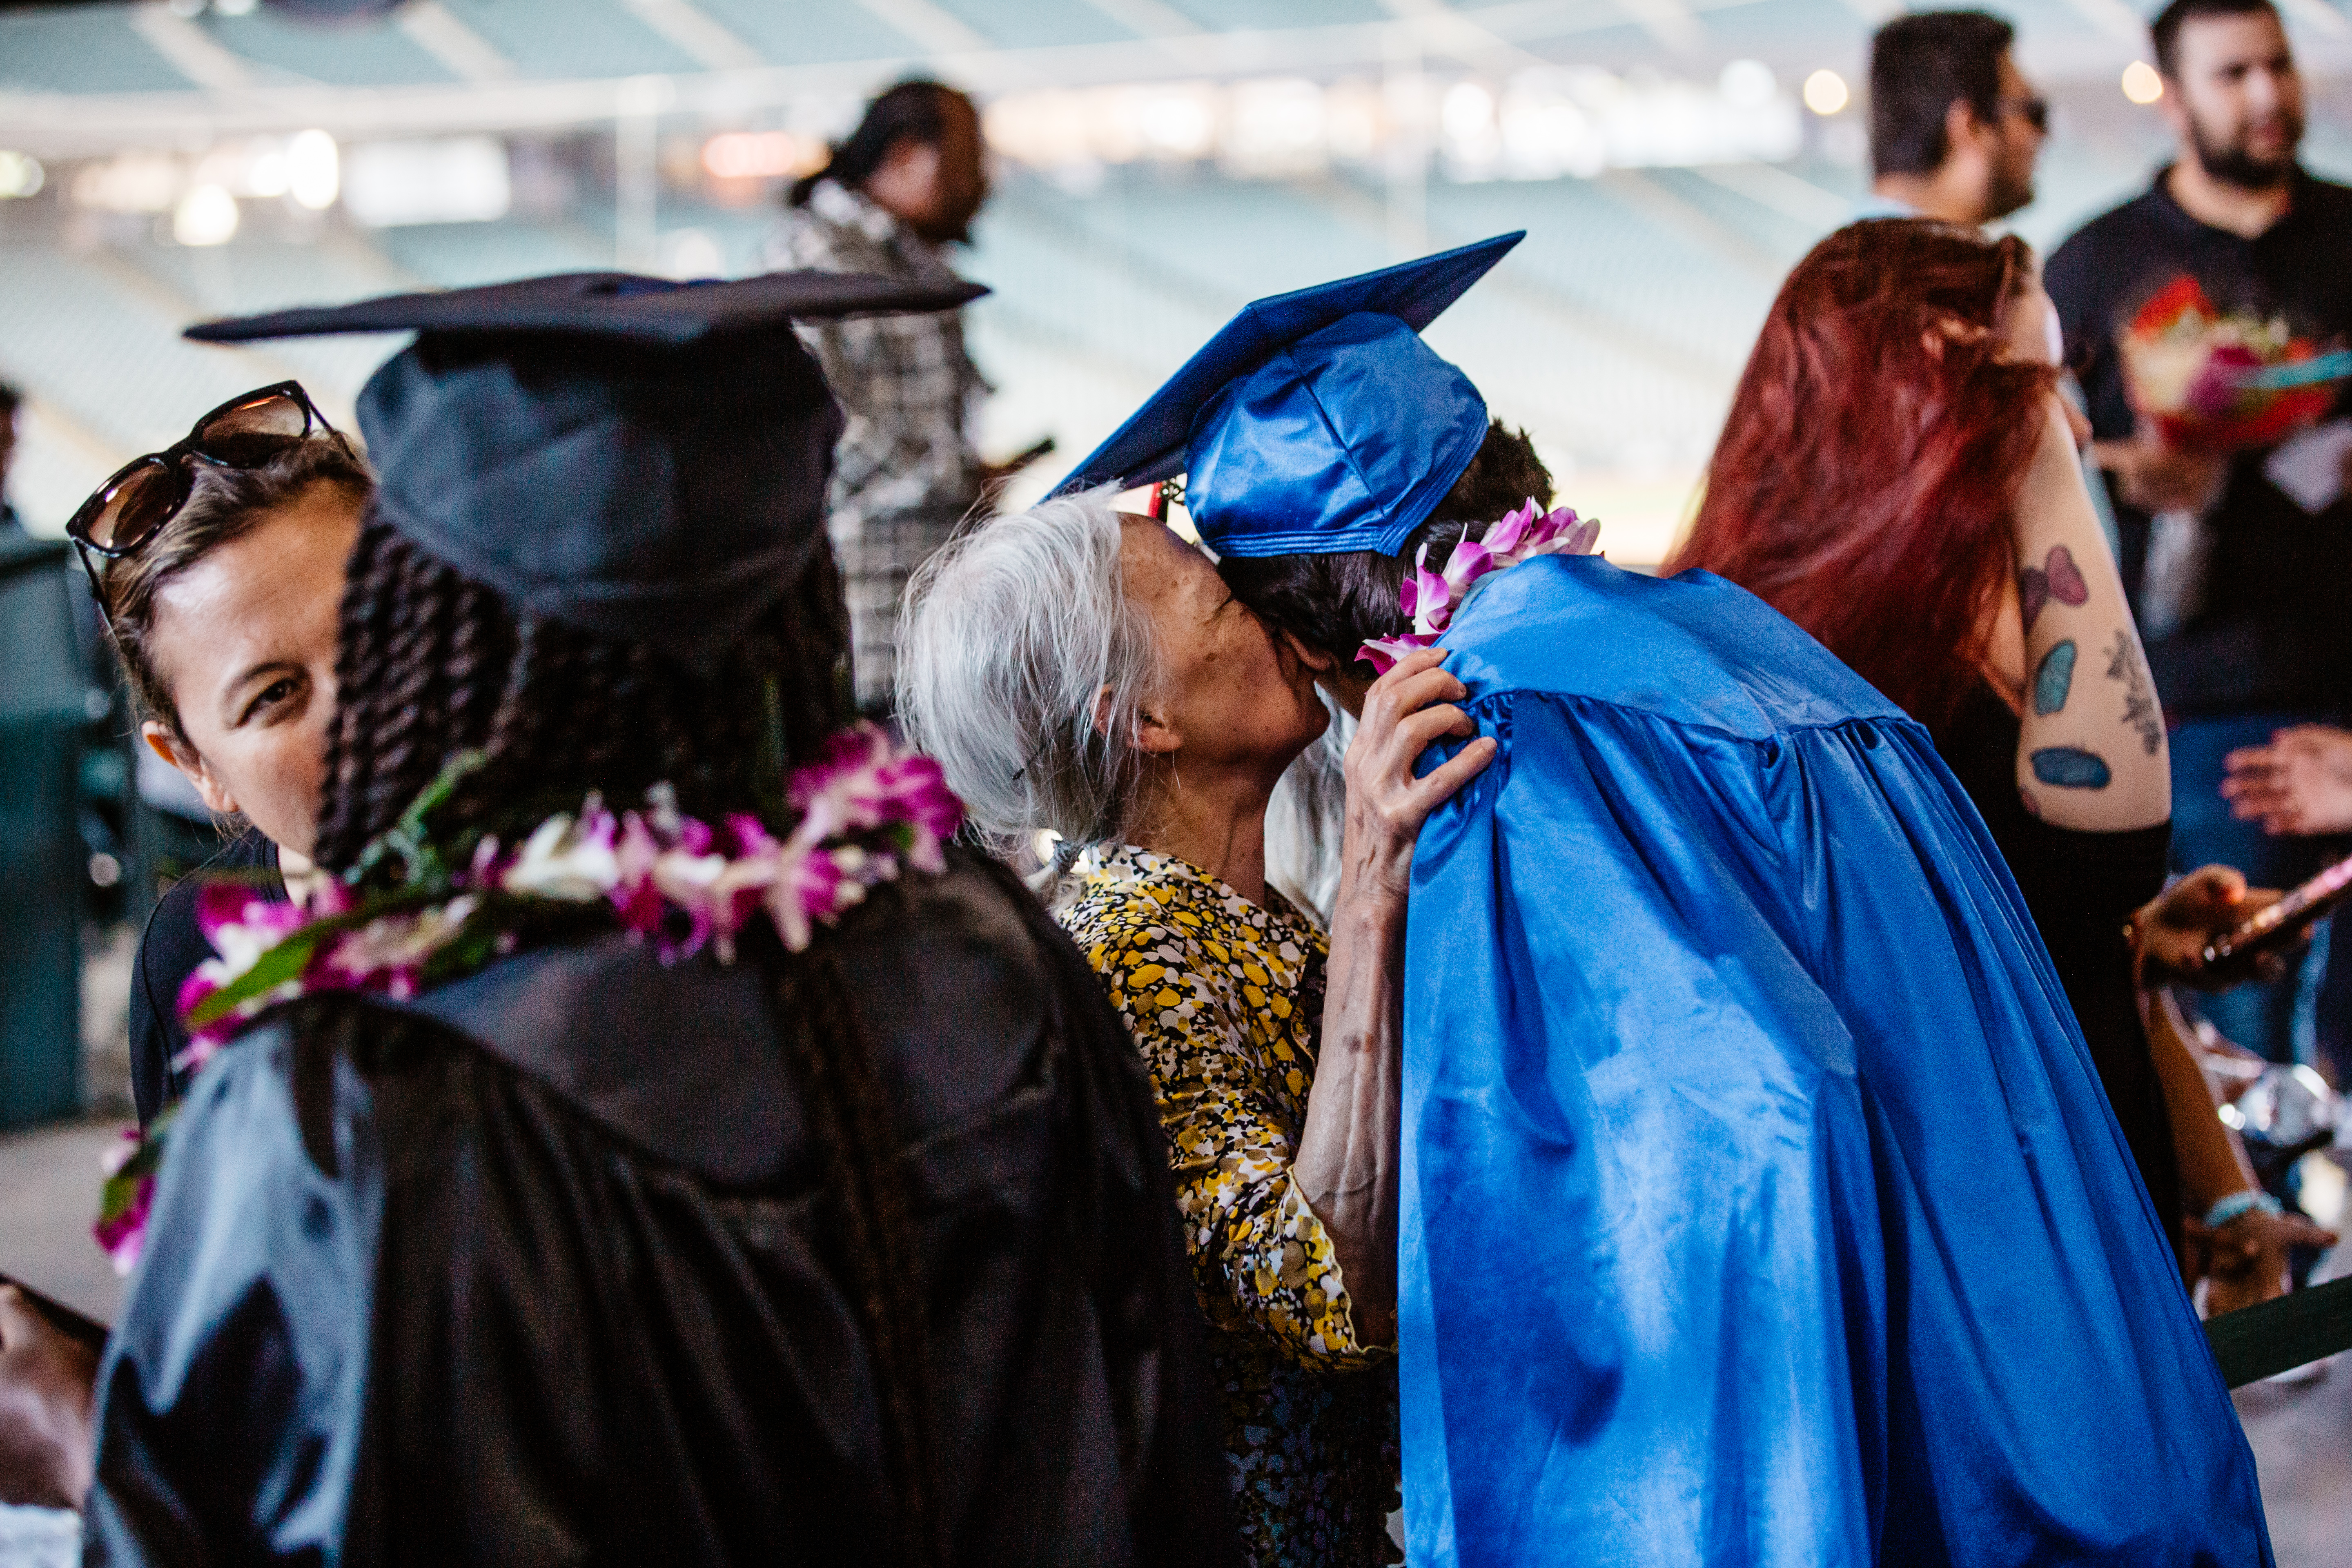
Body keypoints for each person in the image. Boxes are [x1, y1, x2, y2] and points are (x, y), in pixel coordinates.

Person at [1059, 236, 2269, 1566]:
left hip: (1856, 1474)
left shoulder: (1494, 749)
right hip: (2054, 1413)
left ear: (1308, 642)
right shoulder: (1734, 635)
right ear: (1507, 472)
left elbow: (1676, 1224)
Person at [80, 270, 1235, 1565]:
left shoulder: (355, 1092)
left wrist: (73, 1415)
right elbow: (1157, 1465)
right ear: (796, 605)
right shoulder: (987, 949)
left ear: (433, 633)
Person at [1669, 218, 2332, 1292]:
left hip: (2064, 1248)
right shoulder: (1795, 679)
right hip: (1982, 1280)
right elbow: (2103, 856)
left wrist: (2144, 944)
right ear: (1945, 378)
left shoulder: (1932, 640)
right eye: (2046, 375)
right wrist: (2036, 461)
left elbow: (2052, 911)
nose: (2072, 416)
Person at [900, 466, 1506, 1564]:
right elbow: (1327, 1295)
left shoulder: (1240, 914)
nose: (1266, 607)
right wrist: (1374, 879)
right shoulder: (1130, 948)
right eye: (1222, 600)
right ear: (1140, 719)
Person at [0, 387, 361, 1514]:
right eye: (277, 694)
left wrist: (83, 1435)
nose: (363, 711)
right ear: (190, 761)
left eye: (379, 631)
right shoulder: (193, 951)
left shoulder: (604, 920)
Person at [2046, 0, 2352, 1061]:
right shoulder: (2092, 267)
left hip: (2345, 687)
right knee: (2242, 1049)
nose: (2269, 96)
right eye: (2234, 75)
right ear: (2173, 100)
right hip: (2201, 713)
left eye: (2279, 66)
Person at [760, 80, 997, 717]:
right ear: (905, 155)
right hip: (864, 631)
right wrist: (957, 478)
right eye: (972, 162)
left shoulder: (911, 262)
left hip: (937, 622)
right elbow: (811, 426)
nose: (984, 184)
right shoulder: (815, 252)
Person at [1862, 10, 2048, 226]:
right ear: (1972, 128)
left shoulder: (1837, 254)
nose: (2043, 134)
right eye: (2033, 113)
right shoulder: (1928, 257)